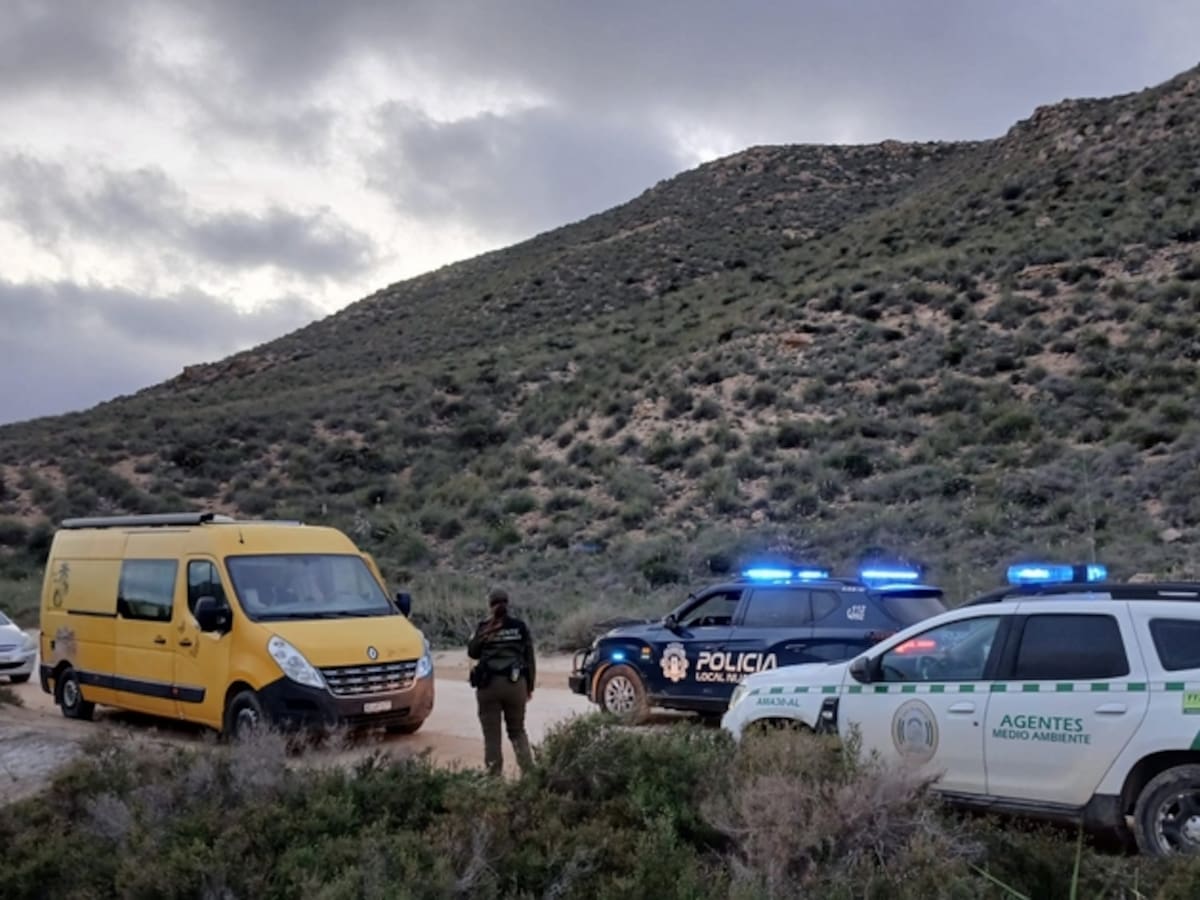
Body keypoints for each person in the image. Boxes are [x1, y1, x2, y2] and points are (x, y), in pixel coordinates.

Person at [467, 587, 536, 775]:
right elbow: (529, 659)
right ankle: (530, 775)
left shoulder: (484, 627)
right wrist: (528, 687)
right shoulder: (520, 627)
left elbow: (472, 652)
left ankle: (494, 780)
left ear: (490, 606)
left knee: (492, 737)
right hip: (515, 685)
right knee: (517, 732)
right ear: (508, 603)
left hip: (488, 686)